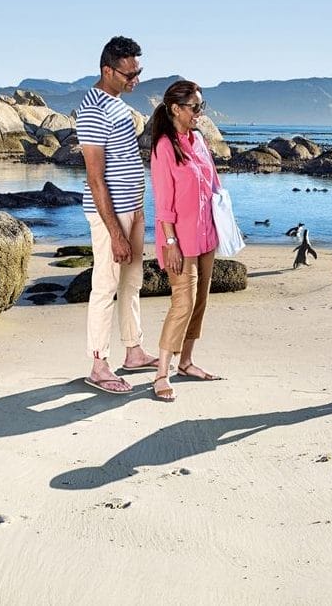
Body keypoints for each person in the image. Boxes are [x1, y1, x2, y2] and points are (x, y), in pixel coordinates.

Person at [77, 36, 159, 394]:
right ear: (107, 70)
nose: (135, 80)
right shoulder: (93, 110)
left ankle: (134, 350)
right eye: (129, 74)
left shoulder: (118, 105)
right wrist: (115, 232)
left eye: (138, 72)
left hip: (133, 209)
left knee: (131, 282)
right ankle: (98, 365)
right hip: (111, 215)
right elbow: (95, 178)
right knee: (105, 285)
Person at [149, 80, 223, 402]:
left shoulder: (200, 140)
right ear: (176, 109)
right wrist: (170, 242)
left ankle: (186, 362)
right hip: (179, 240)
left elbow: (214, 185)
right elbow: (163, 203)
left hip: (207, 235)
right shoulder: (164, 147)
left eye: (201, 106)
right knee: (182, 304)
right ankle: (161, 373)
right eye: (194, 107)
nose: (199, 113)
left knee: (200, 302)